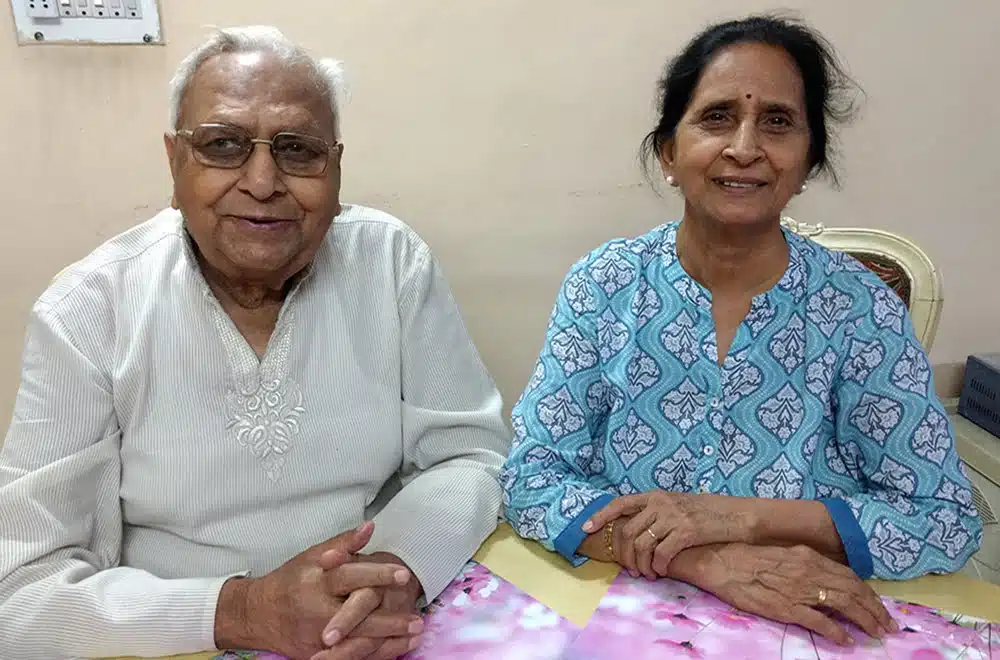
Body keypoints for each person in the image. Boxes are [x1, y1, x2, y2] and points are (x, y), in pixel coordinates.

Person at [0, 26, 509, 660]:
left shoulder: (390, 263)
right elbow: (16, 593)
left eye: (298, 150)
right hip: (177, 634)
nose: (263, 181)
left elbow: (469, 456)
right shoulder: (88, 310)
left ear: (337, 165)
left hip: (368, 625)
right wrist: (244, 610)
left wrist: (389, 575)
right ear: (174, 159)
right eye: (223, 146)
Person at [501, 14, 983, 646]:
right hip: (621, 609)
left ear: (809, 160)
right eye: (718, 117)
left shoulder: (860, 308)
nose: (746, 147)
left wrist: (738, 517)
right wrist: (704, 559)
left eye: (778, 122)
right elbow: (533, 476)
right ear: (669, 152)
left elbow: (943, 518)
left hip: (809, 616)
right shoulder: (605, 284)